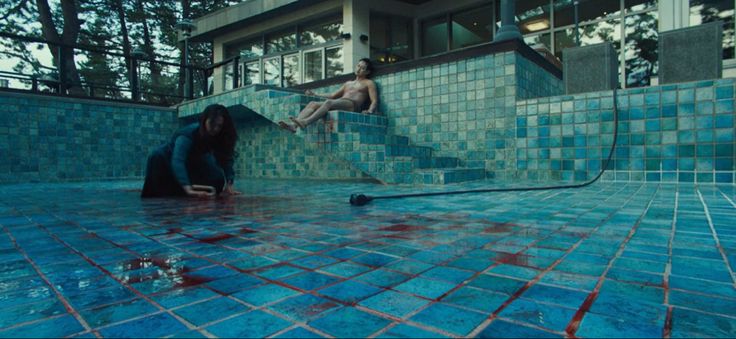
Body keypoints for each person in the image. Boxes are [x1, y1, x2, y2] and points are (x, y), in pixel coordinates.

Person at [141, 104, 241, 198]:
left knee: (217, 180)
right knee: (156, 157)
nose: (215, 129)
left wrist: (229, 184)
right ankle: (179, 188)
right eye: (212, 124)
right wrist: (188, 189)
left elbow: (226, 159)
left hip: (193, 161)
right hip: (167, 160)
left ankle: (183, 187)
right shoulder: (189, 134)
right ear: (204, 120)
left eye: (219, 126)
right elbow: (178, 160)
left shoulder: (220, 135)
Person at [278, 58, 378, 133]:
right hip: (341, 102)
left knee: (329, 103)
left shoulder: (369, 83)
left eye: (362, 68)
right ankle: (294, 126)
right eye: (358, 66)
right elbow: (333, 95)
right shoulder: (348, 83)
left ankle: (305, 122)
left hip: (352, 105)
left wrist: (370, 111)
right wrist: (315, 94)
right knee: (313, 103)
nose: (359, 69)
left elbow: (374, 100)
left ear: (367, 71)